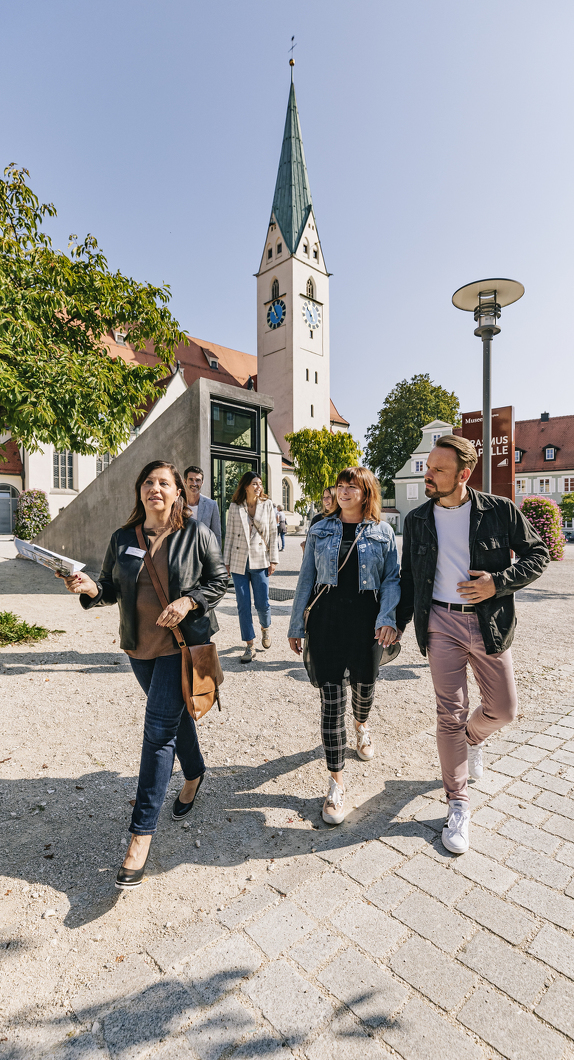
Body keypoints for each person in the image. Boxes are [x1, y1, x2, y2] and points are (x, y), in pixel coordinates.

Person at [59, 460, 228, 889]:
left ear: (177, 493)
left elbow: (219, 579)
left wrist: (189, 602)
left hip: (181, 647)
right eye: (149, 482)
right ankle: (194, 773)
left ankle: (140, 836)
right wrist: (89, 590)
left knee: (157, 732)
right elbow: (109, 588)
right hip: (140, 650)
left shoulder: (195, 533)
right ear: (140, 492)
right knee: (172, 718)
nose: (156, 488)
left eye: (164, 483)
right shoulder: (123, 538)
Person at [395, 434, 549, 854]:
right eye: (427, 466)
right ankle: (457, 802)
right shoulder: (417, 519)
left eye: (438, 470)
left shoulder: (499, 512)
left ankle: (473, 739)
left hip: (489, 622)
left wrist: (497, 583)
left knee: (503, 709)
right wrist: (395, 622)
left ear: (464, 475)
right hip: (440, 624)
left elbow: (539, 554)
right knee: (449, 713)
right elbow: (409, 579)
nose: (427, 474)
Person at [288, 467, 400, 825]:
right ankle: (335, 782)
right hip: (327, 621)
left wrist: (388, 618)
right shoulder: (320, 528)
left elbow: (392, 579)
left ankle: (362, 725)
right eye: (341, 485)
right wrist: (296, 625)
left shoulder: (383, 531)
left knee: (365, 687)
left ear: (367, 492)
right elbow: (307, 577)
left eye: (353, 486)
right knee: (331, 700)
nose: (345, 490)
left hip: (367, 623)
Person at [223, 472, 278, 663]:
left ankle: (265, 627)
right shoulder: (235, 506)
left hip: (261, 559)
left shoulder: (267, 505)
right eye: (254, 483)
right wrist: (226, 561)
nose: (258, 487)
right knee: (243, 604)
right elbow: (229, 535)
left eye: (260, 484)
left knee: (262, 602)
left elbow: (272, 532)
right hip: (239, 561)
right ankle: (249, 644)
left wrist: (274, 560)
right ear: (246, 486)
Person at [184, 465, 222, 549]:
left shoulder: (212, 505)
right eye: (191, 480)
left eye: (198, 480)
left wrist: (217, 558)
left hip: (204, 553)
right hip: (181, 552)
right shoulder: (177, 504)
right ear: (185, 481)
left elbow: (216, 534)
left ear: (202, 482)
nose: (194, 483)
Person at [301, 487, 338, 551]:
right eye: (324, 497)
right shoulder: (317, 519)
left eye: (329, 497)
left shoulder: (344, 518)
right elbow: (309, 546)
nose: (325, 500)